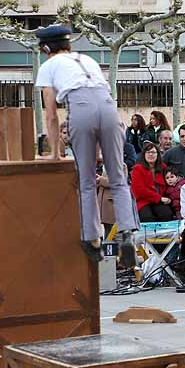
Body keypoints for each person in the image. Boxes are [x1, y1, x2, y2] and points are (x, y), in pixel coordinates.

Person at [34, 25, 138, 266]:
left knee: (87, 182)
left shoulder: (48, 66)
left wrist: (56, 153)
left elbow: (50, 115)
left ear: (46, 48)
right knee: (118, 178)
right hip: (109, 109)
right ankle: (128, 234)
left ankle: (91, 239)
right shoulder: (87, 59)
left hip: (80, 109)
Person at [131, 143, 175, 222]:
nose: (151, 154)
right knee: (147, 217)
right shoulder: (137, 169)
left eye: (153, 152)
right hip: (143, 200)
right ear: (144, 154)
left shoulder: (163, 167)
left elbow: (169, 182)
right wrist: (160, 198)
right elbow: (140, 190)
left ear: (158, 155)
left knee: (167, 214)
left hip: (160, 200)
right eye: (148, 152)